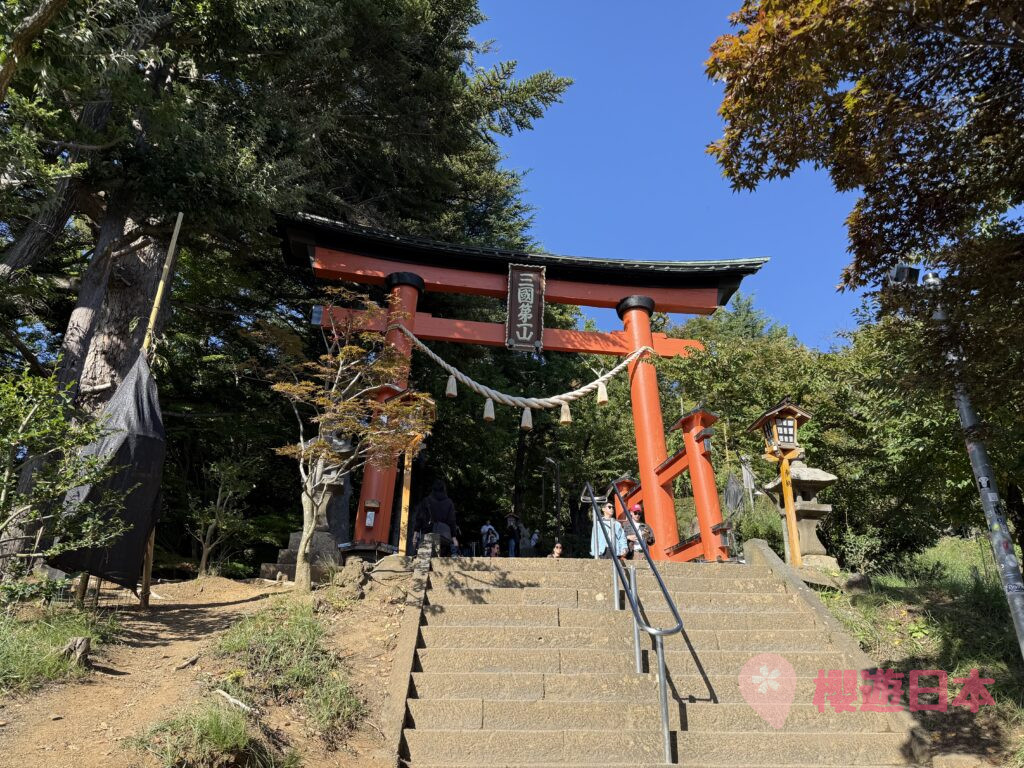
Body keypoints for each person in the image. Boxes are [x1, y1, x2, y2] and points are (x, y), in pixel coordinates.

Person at [417, 479, 458, 557]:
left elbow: (420, 517)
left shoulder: (426, 500)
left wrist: (416, 534)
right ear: (444, 489)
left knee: (423, 561)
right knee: (440, 555)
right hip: (443, 534)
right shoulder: (449, 502)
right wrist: (454, 538)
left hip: (428, 533)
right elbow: (452, 521)